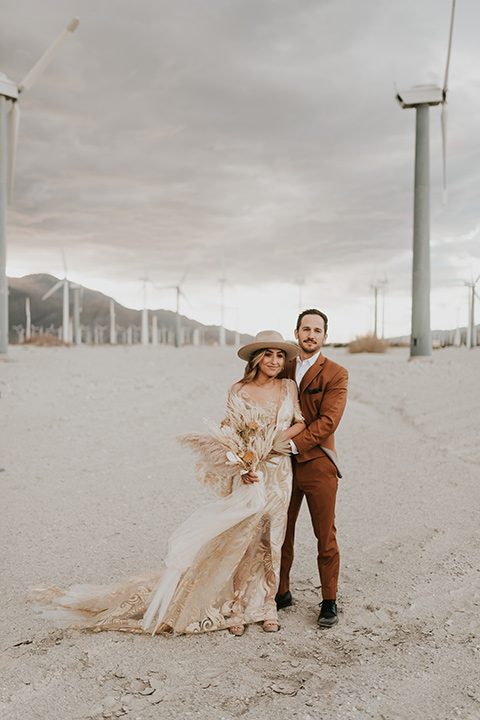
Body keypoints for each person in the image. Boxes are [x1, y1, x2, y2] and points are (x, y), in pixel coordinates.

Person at [32, 331, 305, 637]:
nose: (275, 361)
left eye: (280, 356)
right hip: (250, 472)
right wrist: (243, 466)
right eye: (268, 354)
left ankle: (268, 605)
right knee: (243, 539)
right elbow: (230, 433)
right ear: (257, 358)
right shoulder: (238, 390)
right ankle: (237, 605)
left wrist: (279, 439)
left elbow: (300, 421)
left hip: (280, 472)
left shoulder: (288, 386)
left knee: (273, 539)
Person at [275, 309, 348, 628]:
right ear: (296, 332)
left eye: (317, 330)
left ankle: (329, 599)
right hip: (281, 465)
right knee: (280, 530)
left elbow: (329, 421)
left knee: (325, 534)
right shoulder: (282, 366)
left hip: (318, 461)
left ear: (325, 337)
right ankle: (281, 592)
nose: (311, 335)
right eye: (306, 329)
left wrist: (292, 444)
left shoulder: (336, 372)